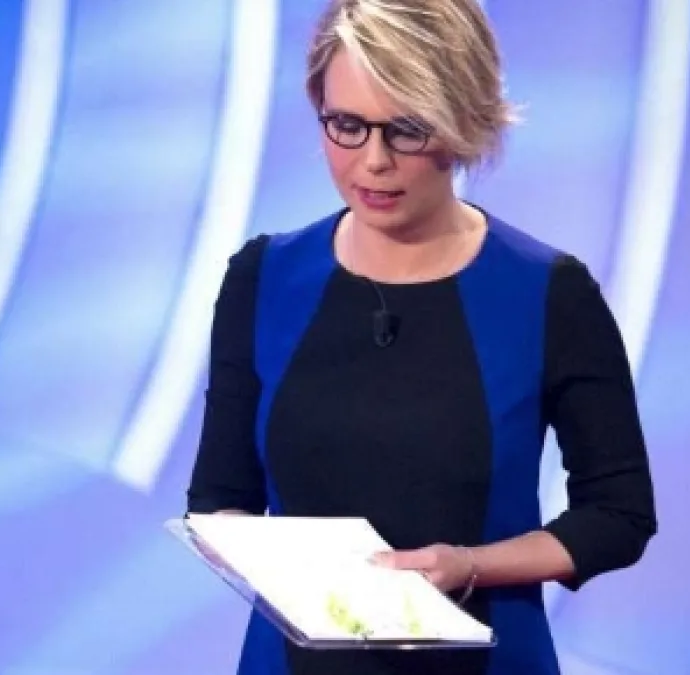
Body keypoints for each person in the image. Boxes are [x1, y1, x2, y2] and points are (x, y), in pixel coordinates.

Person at [184, 0, 658, 673]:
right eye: (347, 125)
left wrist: (469, 565)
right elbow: (218, 498)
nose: (373, 161)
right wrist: (278, 566)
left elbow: (617, 515)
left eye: (407, 130)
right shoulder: (263, 278)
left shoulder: (547, 292)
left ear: (464, 120)